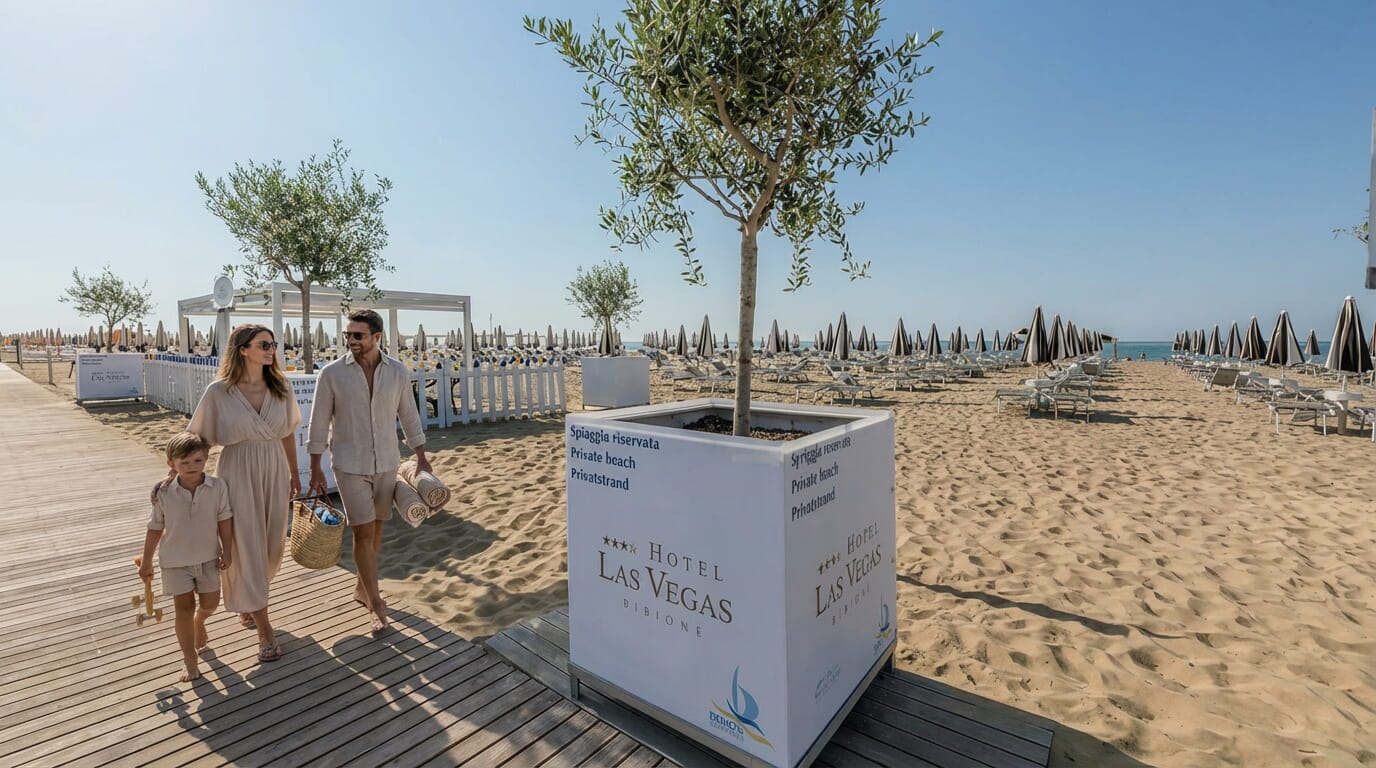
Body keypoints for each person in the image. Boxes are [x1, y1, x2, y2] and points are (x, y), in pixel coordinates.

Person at [179, 324, 301, 662]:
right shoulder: (220, 392)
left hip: (274, 469)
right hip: (237, 471)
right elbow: (196, 439)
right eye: (264, 344)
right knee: (245, 548)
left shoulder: (281, 386)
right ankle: (265, 631)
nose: (271, 349)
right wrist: (176, 478)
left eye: (273, 344)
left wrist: (295, 474)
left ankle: (247, 603)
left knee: (271, 549)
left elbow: (288, 433)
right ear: (243, 349)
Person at [308, 309, 428, 635]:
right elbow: (318, 422)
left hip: (387, 462)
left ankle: (362, 588)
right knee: (361, 532)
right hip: (349, 465)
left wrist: (421, 456)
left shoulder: (398, 372)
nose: (351, 340)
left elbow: (408, 415)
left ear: (377, 337)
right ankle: (376, 604)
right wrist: (315, 466)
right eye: (348, 335)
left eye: (357, 335)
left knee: (376, 530)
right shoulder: (332, 374)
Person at [139, 432, 234, 682]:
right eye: (185, 462)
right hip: (174, 562)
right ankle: (190, 661)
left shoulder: (218, 487)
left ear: (206, 458)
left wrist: (227, 550)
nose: (192, 467)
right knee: (183, 609)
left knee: (210, 604)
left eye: (198, 460)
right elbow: (155, 527)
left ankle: (199, 622)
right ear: (171, 464)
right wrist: (147, 561)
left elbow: (224, 519)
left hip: (208, 558)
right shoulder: (164, 493)